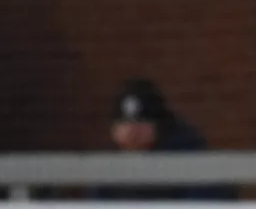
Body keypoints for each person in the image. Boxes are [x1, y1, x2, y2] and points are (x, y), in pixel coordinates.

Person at [96, 78, 235, 200]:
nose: (132, 131)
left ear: (160, 126)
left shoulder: (188, 159)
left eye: (142, 122)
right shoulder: (108, 167)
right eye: (124, 123)